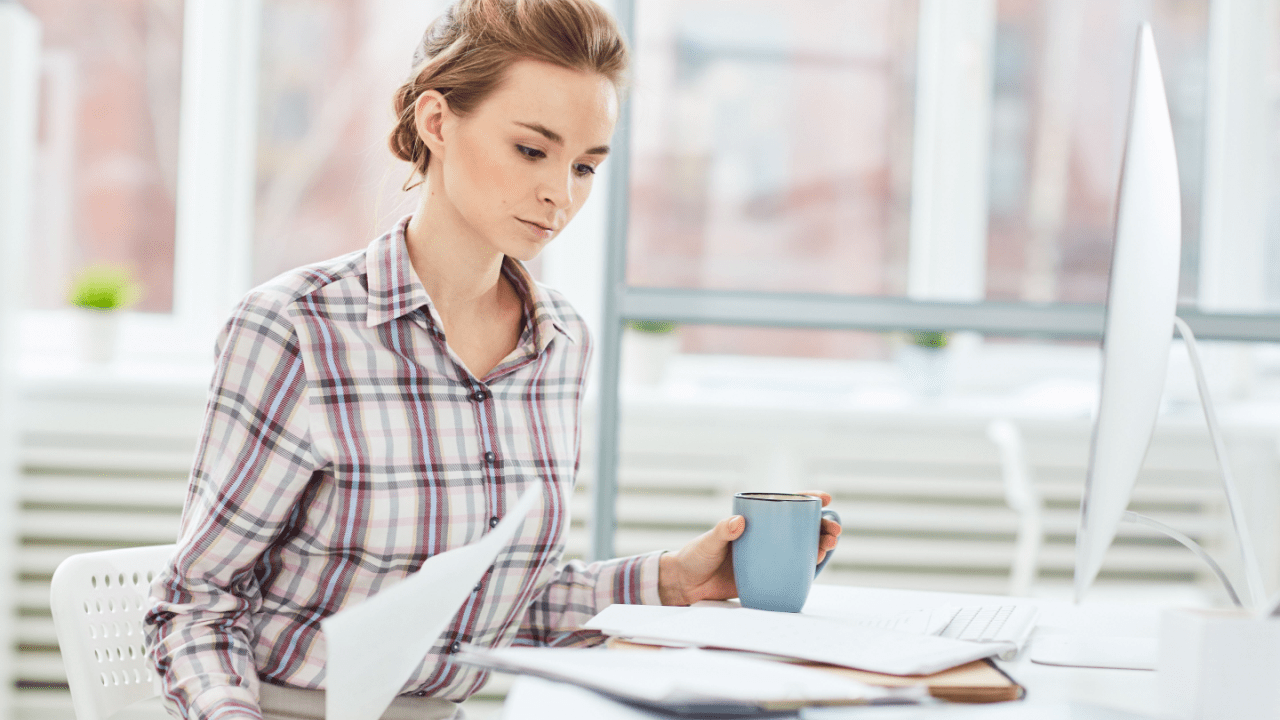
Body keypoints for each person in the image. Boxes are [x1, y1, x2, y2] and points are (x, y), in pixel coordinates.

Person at [144, 1, 842, 719]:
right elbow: (195, 605)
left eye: (585, 165)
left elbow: (498, 605)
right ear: (436, 122)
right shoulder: (297, 328)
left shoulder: (560, 343)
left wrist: (674, 580)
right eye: (532, 151)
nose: (560, 194)